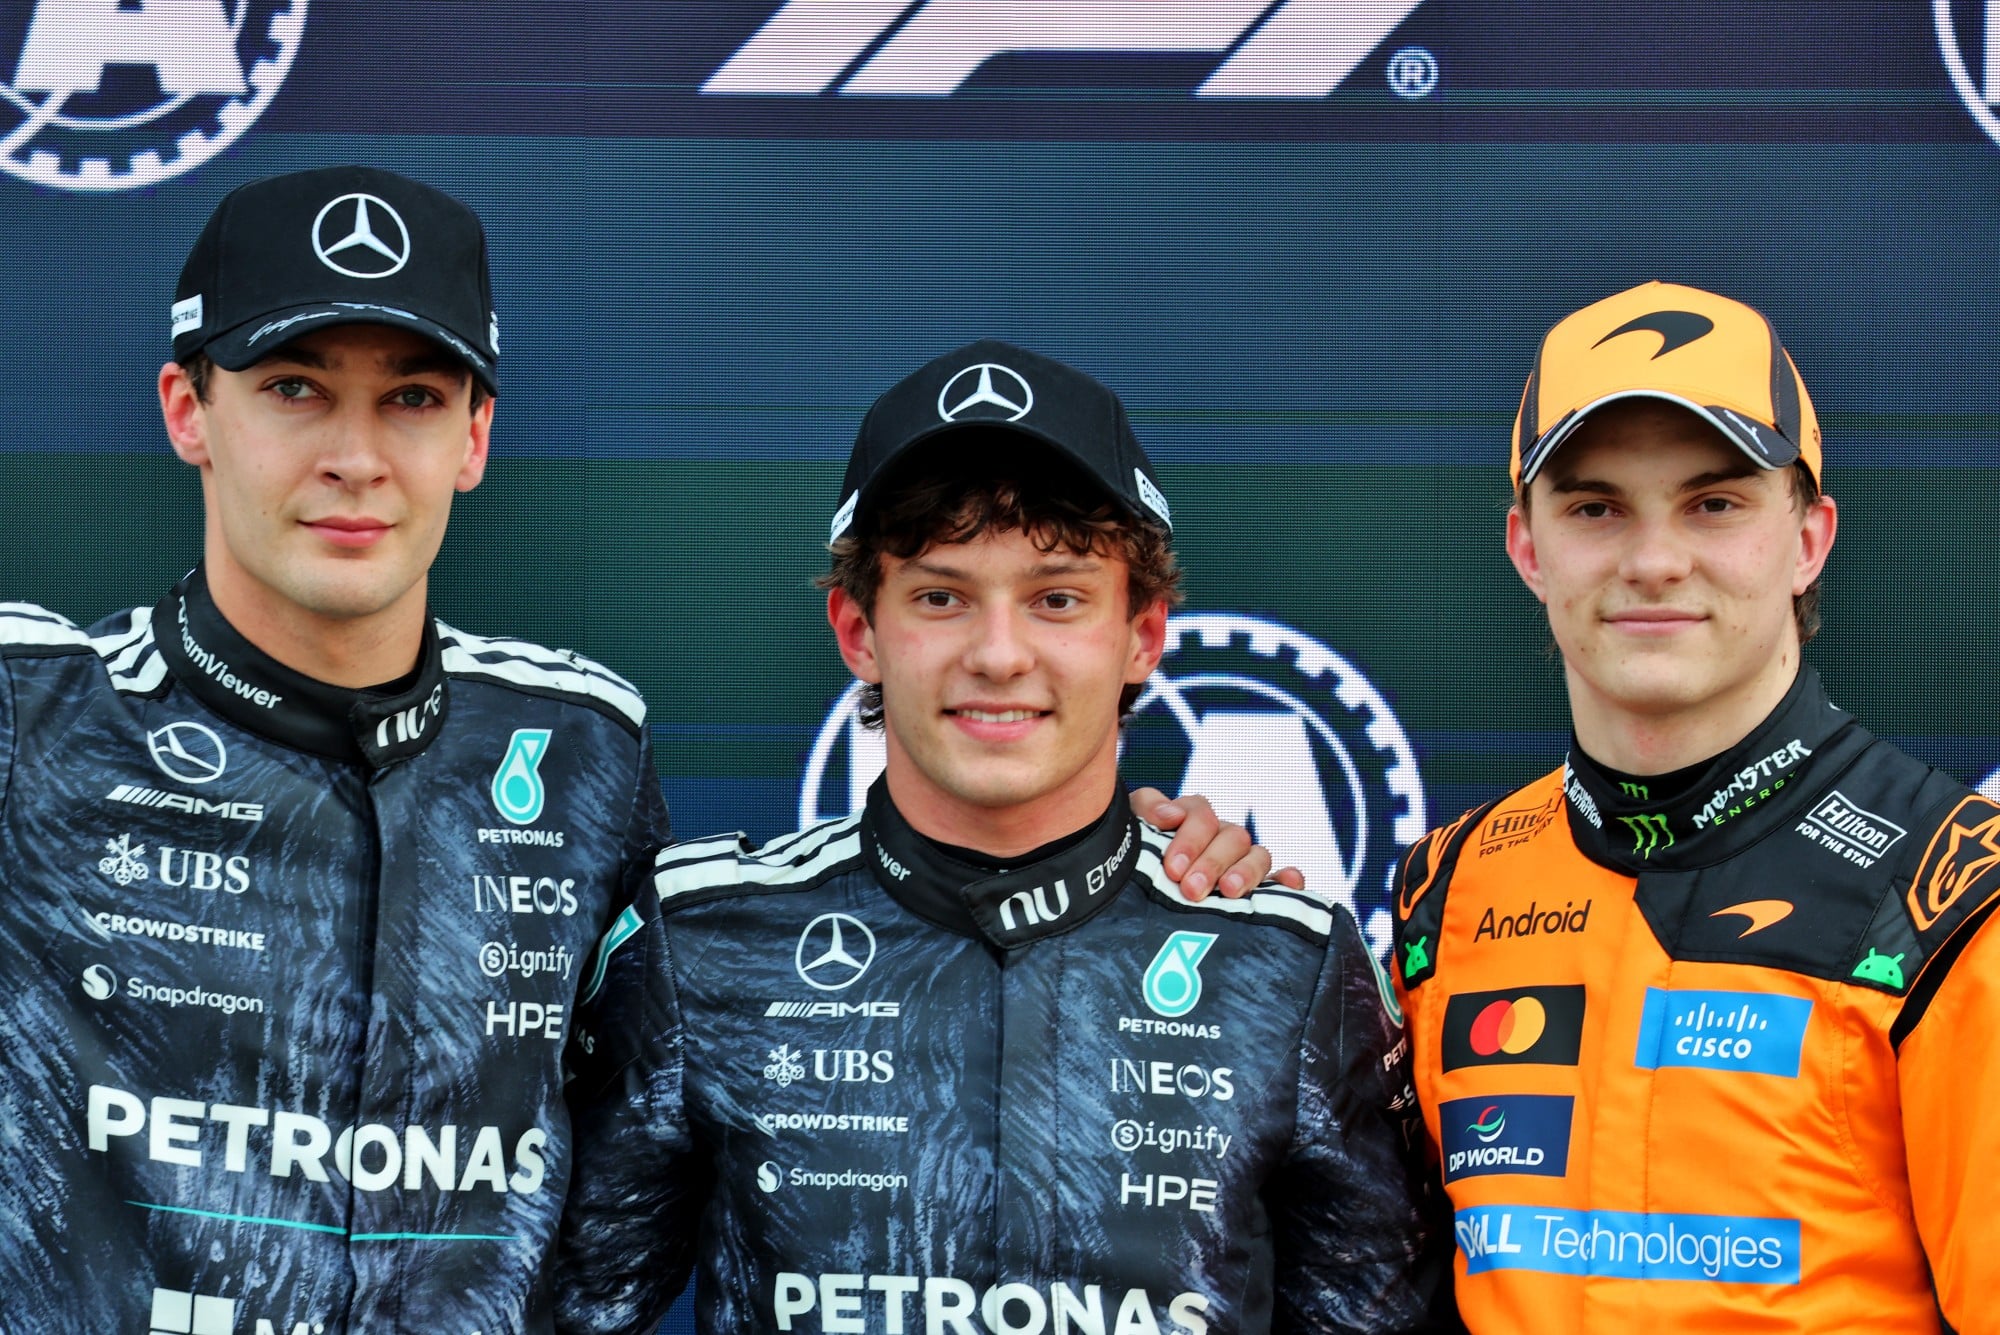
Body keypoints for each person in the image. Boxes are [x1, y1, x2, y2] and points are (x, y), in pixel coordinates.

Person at [0, 169, 1270, 1334]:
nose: (353, 456)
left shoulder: (577, 750)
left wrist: (1129, 876)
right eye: (294, 388)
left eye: (411, 398)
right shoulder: (28, 712)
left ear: (475, 436)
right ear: (187, 409)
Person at [554, 339, 1451, 1335]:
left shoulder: (1287, 965)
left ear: (1141, 635)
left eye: (1055, 598)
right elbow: (569, 1310)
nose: (997, 654)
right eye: (941, 597)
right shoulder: (698, 941)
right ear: (859, 630)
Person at [1390, 281, 2000, 1331]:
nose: (1653, 560)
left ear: (1807, 539)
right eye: (1594, 508)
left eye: (1712, 503)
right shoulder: (1447, 890)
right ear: (1526, 548)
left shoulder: (1950, 898)